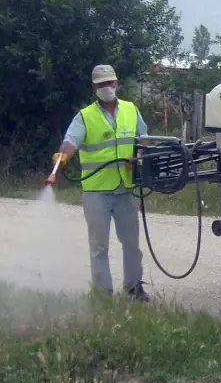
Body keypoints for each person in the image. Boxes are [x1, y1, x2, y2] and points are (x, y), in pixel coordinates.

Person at [53, 64, 150, 301]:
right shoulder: (85, 116)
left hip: (125, 188)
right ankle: (102, 293)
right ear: (94, 87)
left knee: (131, 243)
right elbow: (71, 141)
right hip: (97, 191)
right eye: (101, 84)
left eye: (110, 82)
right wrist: (64, 155)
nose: (107, 87)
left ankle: (134, 289)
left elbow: (144, 138)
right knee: (99, 246)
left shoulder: (131, 110)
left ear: (116, 83)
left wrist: (139, 155)